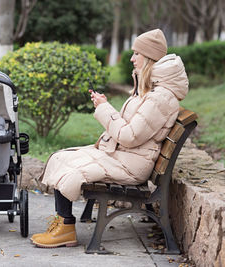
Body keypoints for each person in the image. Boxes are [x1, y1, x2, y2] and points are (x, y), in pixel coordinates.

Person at [31, 29, 189, 248]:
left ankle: (65, 229)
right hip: (124, 156)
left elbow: (129, 136)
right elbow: (132, 128)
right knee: (62, 158)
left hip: (131, 164)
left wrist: (105, 110)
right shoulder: (151, 90)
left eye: (136, 54)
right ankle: (63, 225)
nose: (132, 58)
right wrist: (106, 107)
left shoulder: (160, 97)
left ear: (149, 58)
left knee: (71, 168)